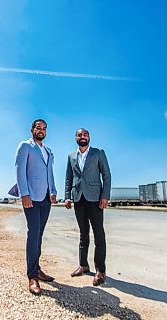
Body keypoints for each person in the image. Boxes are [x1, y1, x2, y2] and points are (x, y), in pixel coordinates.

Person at [15, 119, 57, 295]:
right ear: (32, 129)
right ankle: (32, 277)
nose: (41, 130)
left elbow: (50, 173)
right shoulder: (25, 146)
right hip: (31, 196)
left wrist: (53, 191)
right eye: (38, 128)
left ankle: (37, 268)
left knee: (39, 235)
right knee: (33, 234)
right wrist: (24, 194)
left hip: (46, 198)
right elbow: (19, 171)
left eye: (44, 128)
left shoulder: (48, 151)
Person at [64, 128, 111, 286]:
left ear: (89, 137)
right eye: (79, 135)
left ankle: (100, 271)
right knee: (83, 234)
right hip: (78, 198)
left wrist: (105, 196)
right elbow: (68, 178)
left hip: (95, 198)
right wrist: (67, 197)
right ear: (76, 138)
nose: (82, 137)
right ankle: (83, 265)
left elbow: (106, 176)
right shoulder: (71, 156)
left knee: (99, 234)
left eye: (85, 135)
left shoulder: (98, 153)